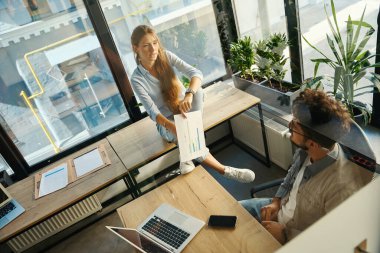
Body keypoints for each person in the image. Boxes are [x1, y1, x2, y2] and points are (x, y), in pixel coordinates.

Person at [239, 89, 373, 243]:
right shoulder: (306, 151)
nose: (289, 125)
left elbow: (332, 242)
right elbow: (291, 176)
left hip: (293, 236)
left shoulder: (341, 189)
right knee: (232, 210)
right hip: (279, 207)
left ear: (313, 143)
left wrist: (285, 235)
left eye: (295, 125)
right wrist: (276, 201)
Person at [130, 24, 255, 183]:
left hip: (184, 109)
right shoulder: (137, 79)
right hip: (167, 122)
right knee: (187, 134)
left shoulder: (166, 56)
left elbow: (196, 74)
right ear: (136, 48)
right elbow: (153, 112)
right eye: (146, 45)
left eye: (155, 43)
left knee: (198, 92)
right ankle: (225, 170)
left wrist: (188, 96)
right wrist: (174, 127)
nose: (153, 49)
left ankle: (185, 155)